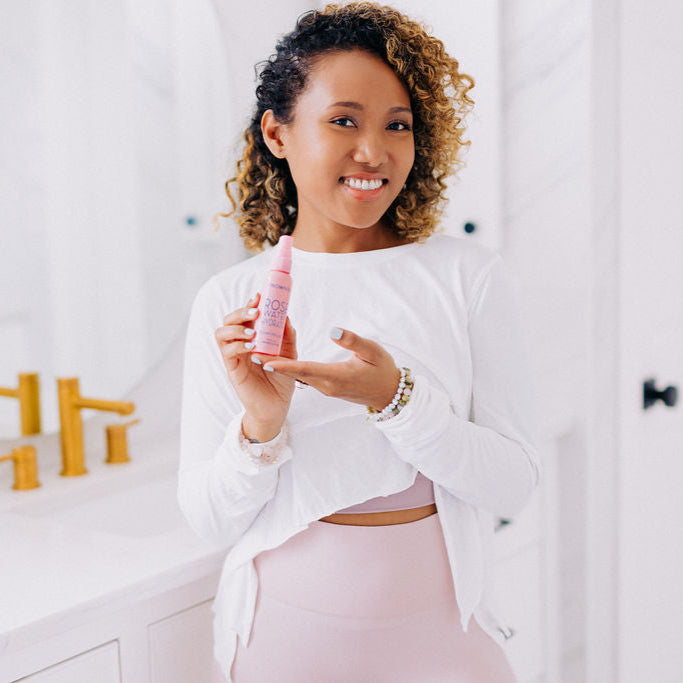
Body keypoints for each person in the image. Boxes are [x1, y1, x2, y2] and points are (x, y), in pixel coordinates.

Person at [178, 2, 541, 681]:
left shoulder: (465, 277)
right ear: (277, 133)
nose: (372, 152)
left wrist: (398, 399)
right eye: (342, 120)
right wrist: (262, 423)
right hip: (283, 646)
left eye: (396, 125)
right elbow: (208, 519)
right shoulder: (230, 302)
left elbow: (513, 486)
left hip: (444, 648)